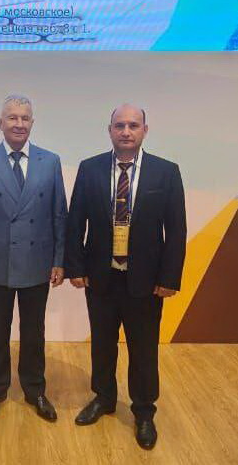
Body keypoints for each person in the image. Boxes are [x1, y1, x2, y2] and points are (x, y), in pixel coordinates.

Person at [65, 104, 186, 450]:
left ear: (145, 130)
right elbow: (76, 222)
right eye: (120, 125)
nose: (126, 131)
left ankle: (144, 411)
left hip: (146, 282)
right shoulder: (90, 169)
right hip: (101, 278)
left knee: (143, 349)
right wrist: (76, 268)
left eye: (133, 125)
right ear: (110, 130)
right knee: (102, 345)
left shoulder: (166, 172)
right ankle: (103, 398)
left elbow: (176, 230)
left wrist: (170, 278)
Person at [0, 95, 68, 422]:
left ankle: (35, 390)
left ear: (32, 123)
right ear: (1, 123)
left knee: (34, 332)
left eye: (25, 118)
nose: (19, 124)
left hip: (38, 261)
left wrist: (59, 259)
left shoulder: (50, 161)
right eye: (12, 117)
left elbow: (59, 215)